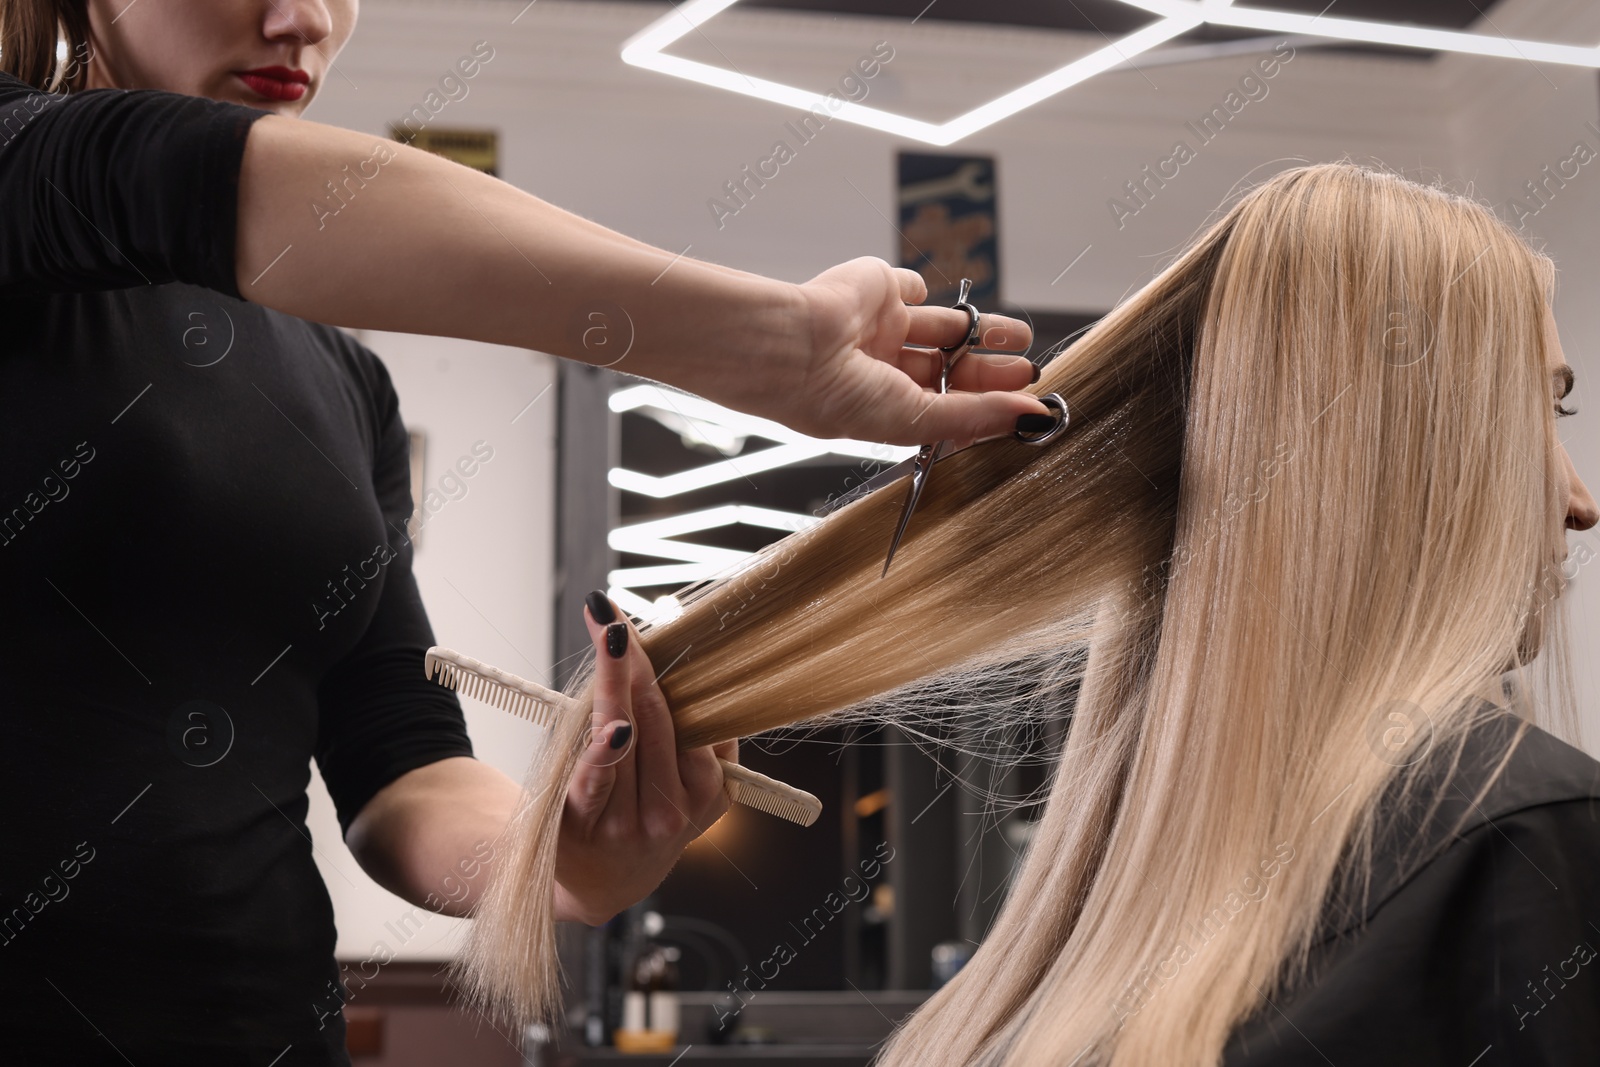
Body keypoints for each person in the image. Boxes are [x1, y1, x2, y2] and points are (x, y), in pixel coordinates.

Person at [0, 0, 1048, 1063]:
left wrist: (555, 854)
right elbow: (159, 178)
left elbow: (399, 758)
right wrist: (767, 343)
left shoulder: (338, 378)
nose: (304, 17)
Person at [463, 162, 1600, 1067]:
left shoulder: (1052, 987)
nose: (1578, 499)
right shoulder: (1531, 837)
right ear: (1423, 454)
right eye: (1533, 412)